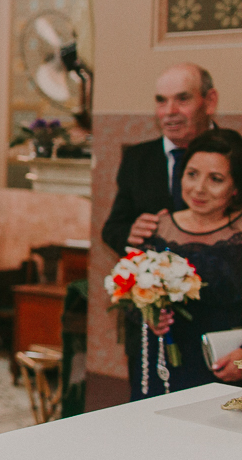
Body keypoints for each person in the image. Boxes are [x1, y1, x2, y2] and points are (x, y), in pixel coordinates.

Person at [102, 64, 218, 399]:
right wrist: (130, 232)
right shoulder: (139, 158)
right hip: (152, 323)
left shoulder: (233, 154)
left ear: (209, 101)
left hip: (215, 319)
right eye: (161, 101)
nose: (170, 112)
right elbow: (112, 228)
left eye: (182, 99)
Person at [136, 128, 242, 397]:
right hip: (164, 362)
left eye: (215, 179)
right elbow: (136, 295)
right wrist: (150, 316)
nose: (198, 188)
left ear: (236, 188)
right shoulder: (157, 227)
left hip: (226, 365)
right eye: (192, 174)